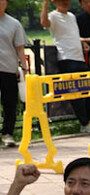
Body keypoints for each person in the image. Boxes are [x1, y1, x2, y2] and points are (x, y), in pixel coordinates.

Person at [41, 0, 90, 133]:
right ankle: (84, 123)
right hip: (66, 58)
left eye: (67, 0)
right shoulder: (53, 15)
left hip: (80, 58)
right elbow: (44, 23)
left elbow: (73, 35)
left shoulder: (72, 16)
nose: (65, 3)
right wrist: (45, 4)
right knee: (76, 94)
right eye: (62, 0)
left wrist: (83, 42)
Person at [0, 0, 27, 148]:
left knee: (10, 102)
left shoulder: (14, 23)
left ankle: (7, 134)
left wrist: (24, 68)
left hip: (8, 68)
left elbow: (20, 49)